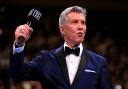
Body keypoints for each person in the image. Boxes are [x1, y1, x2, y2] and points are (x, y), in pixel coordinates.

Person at [9, 6, 113, 89]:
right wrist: (19, 44)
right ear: (62, 29)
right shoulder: (46, 59)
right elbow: (17, 74)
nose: (81, 26)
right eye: (75, 22)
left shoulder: (99, 62)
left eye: (83, 22)